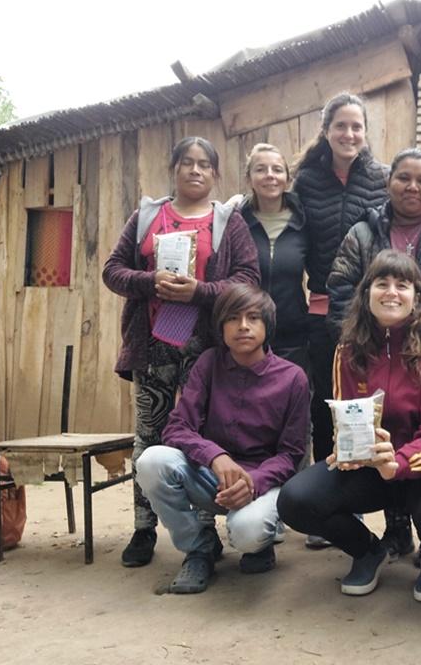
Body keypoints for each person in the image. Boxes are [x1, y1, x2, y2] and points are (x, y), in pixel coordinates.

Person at [278, 250, 421, 603]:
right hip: (371, 469)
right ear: (366, 293)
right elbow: (346, 418)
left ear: (417, 296)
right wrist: (346, 450)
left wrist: (397, 463)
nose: (391, 292)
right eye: (381, 283)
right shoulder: (348, 349)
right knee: (296, 500)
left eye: (402, 285)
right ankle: (367, 550)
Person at [102, 136, 260, 569]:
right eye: (187, 163)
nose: (195, 170)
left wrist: (200, 291)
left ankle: (204, 529)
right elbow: (112, 271)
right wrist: (150, 282)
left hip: (207, 349)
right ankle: (143, 528)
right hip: (153, 344)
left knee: (203, 437)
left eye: (204, 165)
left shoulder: (228, 223)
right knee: (148, 436)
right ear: (174, 169)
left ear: (214, 174)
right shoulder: (148, 216)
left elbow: (248, 279)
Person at [327, 147, 421, 560]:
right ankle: (393, 531)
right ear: (388, 183)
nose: (413, 186)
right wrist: (359, 329)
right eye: (403, 177)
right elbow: (340, 285)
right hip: (373, 341)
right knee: (379, 422)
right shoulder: (363, 231)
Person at [135, 284, 308, 593]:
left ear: (267, 325)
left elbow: (291, 454)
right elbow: (177, 427)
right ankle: (199, 548)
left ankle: (261, 543)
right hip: (211, 479)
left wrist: (253, 481)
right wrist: (216, 456)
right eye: (233, 318)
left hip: (260, 483)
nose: (243, 326)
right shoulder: (208, 364)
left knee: (248, 533)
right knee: (152, 462)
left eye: (253, 318)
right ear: (221, 327)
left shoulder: (293, 378)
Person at [293, 92, 389, 549]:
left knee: (378, 405)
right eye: (341, 126)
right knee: (325, 405)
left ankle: (397, 515)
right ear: (326, 130)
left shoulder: (383, 179)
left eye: (357, 127)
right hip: (321, 308)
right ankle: (327, 508)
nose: (349, 134)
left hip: (374, 311)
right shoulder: (306, 181)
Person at [239, 143, 308, 370]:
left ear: (288, 179)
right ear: (249, 179)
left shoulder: (304, 220)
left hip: (293, 337)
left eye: (277, 170)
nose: (270, 175)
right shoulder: (235, 222)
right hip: (245, 333)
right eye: (261, 169)